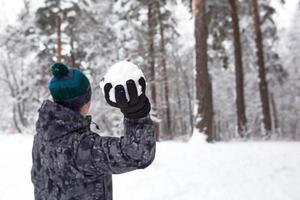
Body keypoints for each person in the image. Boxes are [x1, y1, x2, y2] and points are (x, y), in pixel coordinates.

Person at [31, 63, 156, 200]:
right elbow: (138, 154)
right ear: (86, 102)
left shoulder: (42, 136)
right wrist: (137, 115)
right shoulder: (81, 147)